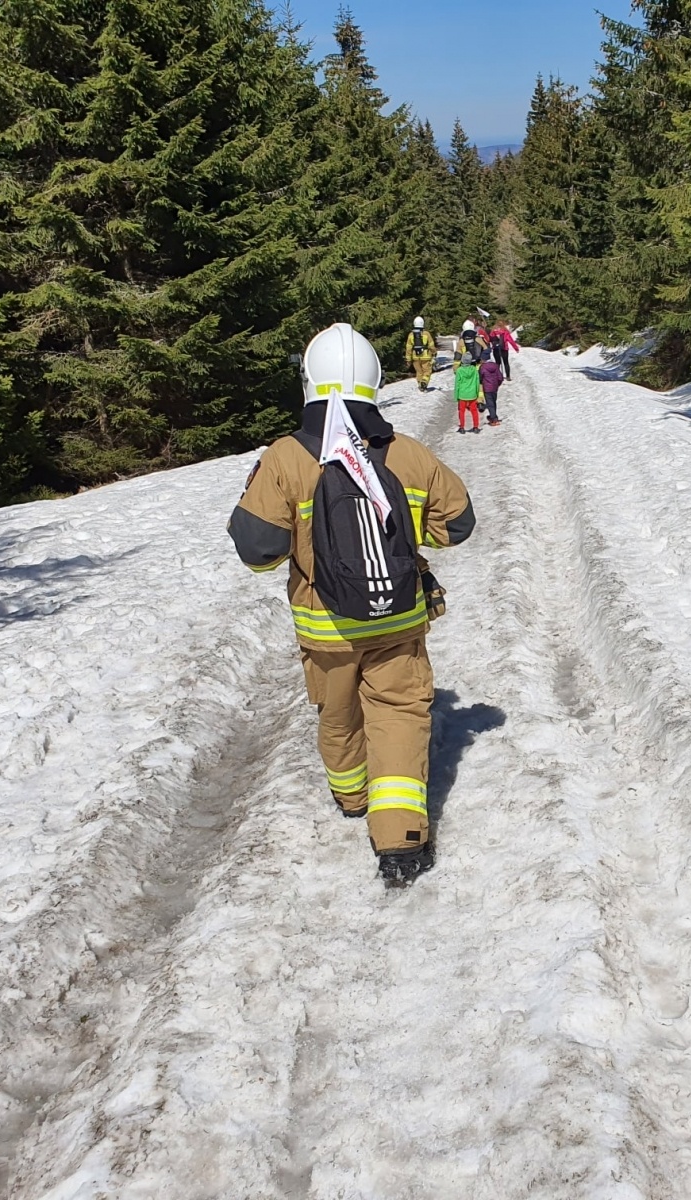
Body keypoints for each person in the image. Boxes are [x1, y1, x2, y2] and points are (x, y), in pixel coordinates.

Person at [228, 324, 476, 887]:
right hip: (400, 622)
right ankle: (401, 841)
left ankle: (352, 797)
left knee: (339, 715)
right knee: (399, 718)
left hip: (327, 631)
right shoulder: (407, 453)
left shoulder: (287, 457)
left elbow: (259, 552)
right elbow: (456, 525)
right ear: (374, 380)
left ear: (309, 381)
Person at [404, 316, 435, 391]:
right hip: (426, 356)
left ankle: (420, 384)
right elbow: (431, 345)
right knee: (427, 371)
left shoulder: (411, 335)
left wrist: (408, 359)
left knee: (419, 372)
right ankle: (424, 382)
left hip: (415, 357)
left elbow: (408, 348)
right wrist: (434, 352)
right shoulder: (426, 334)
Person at [454, 354, 483, 433]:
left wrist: (456, 396)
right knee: (474, 411)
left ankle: (462, 427)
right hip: (472, 394)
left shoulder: (459, 370)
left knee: (461, 411)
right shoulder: (474, 369)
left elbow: (457, 384)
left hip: (462, 394)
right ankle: (476, 427)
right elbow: (477, 382)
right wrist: (477, 394)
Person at [479, 355, 504, 426]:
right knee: (493, 402)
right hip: (494, 387)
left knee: (490, 404)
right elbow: (500, 377)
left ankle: (493, 419)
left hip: (487, 388)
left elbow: (480, 378)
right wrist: (497, 384)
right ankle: (494, 416)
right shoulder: (495, 366)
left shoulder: (482, 367)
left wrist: (482, 383)